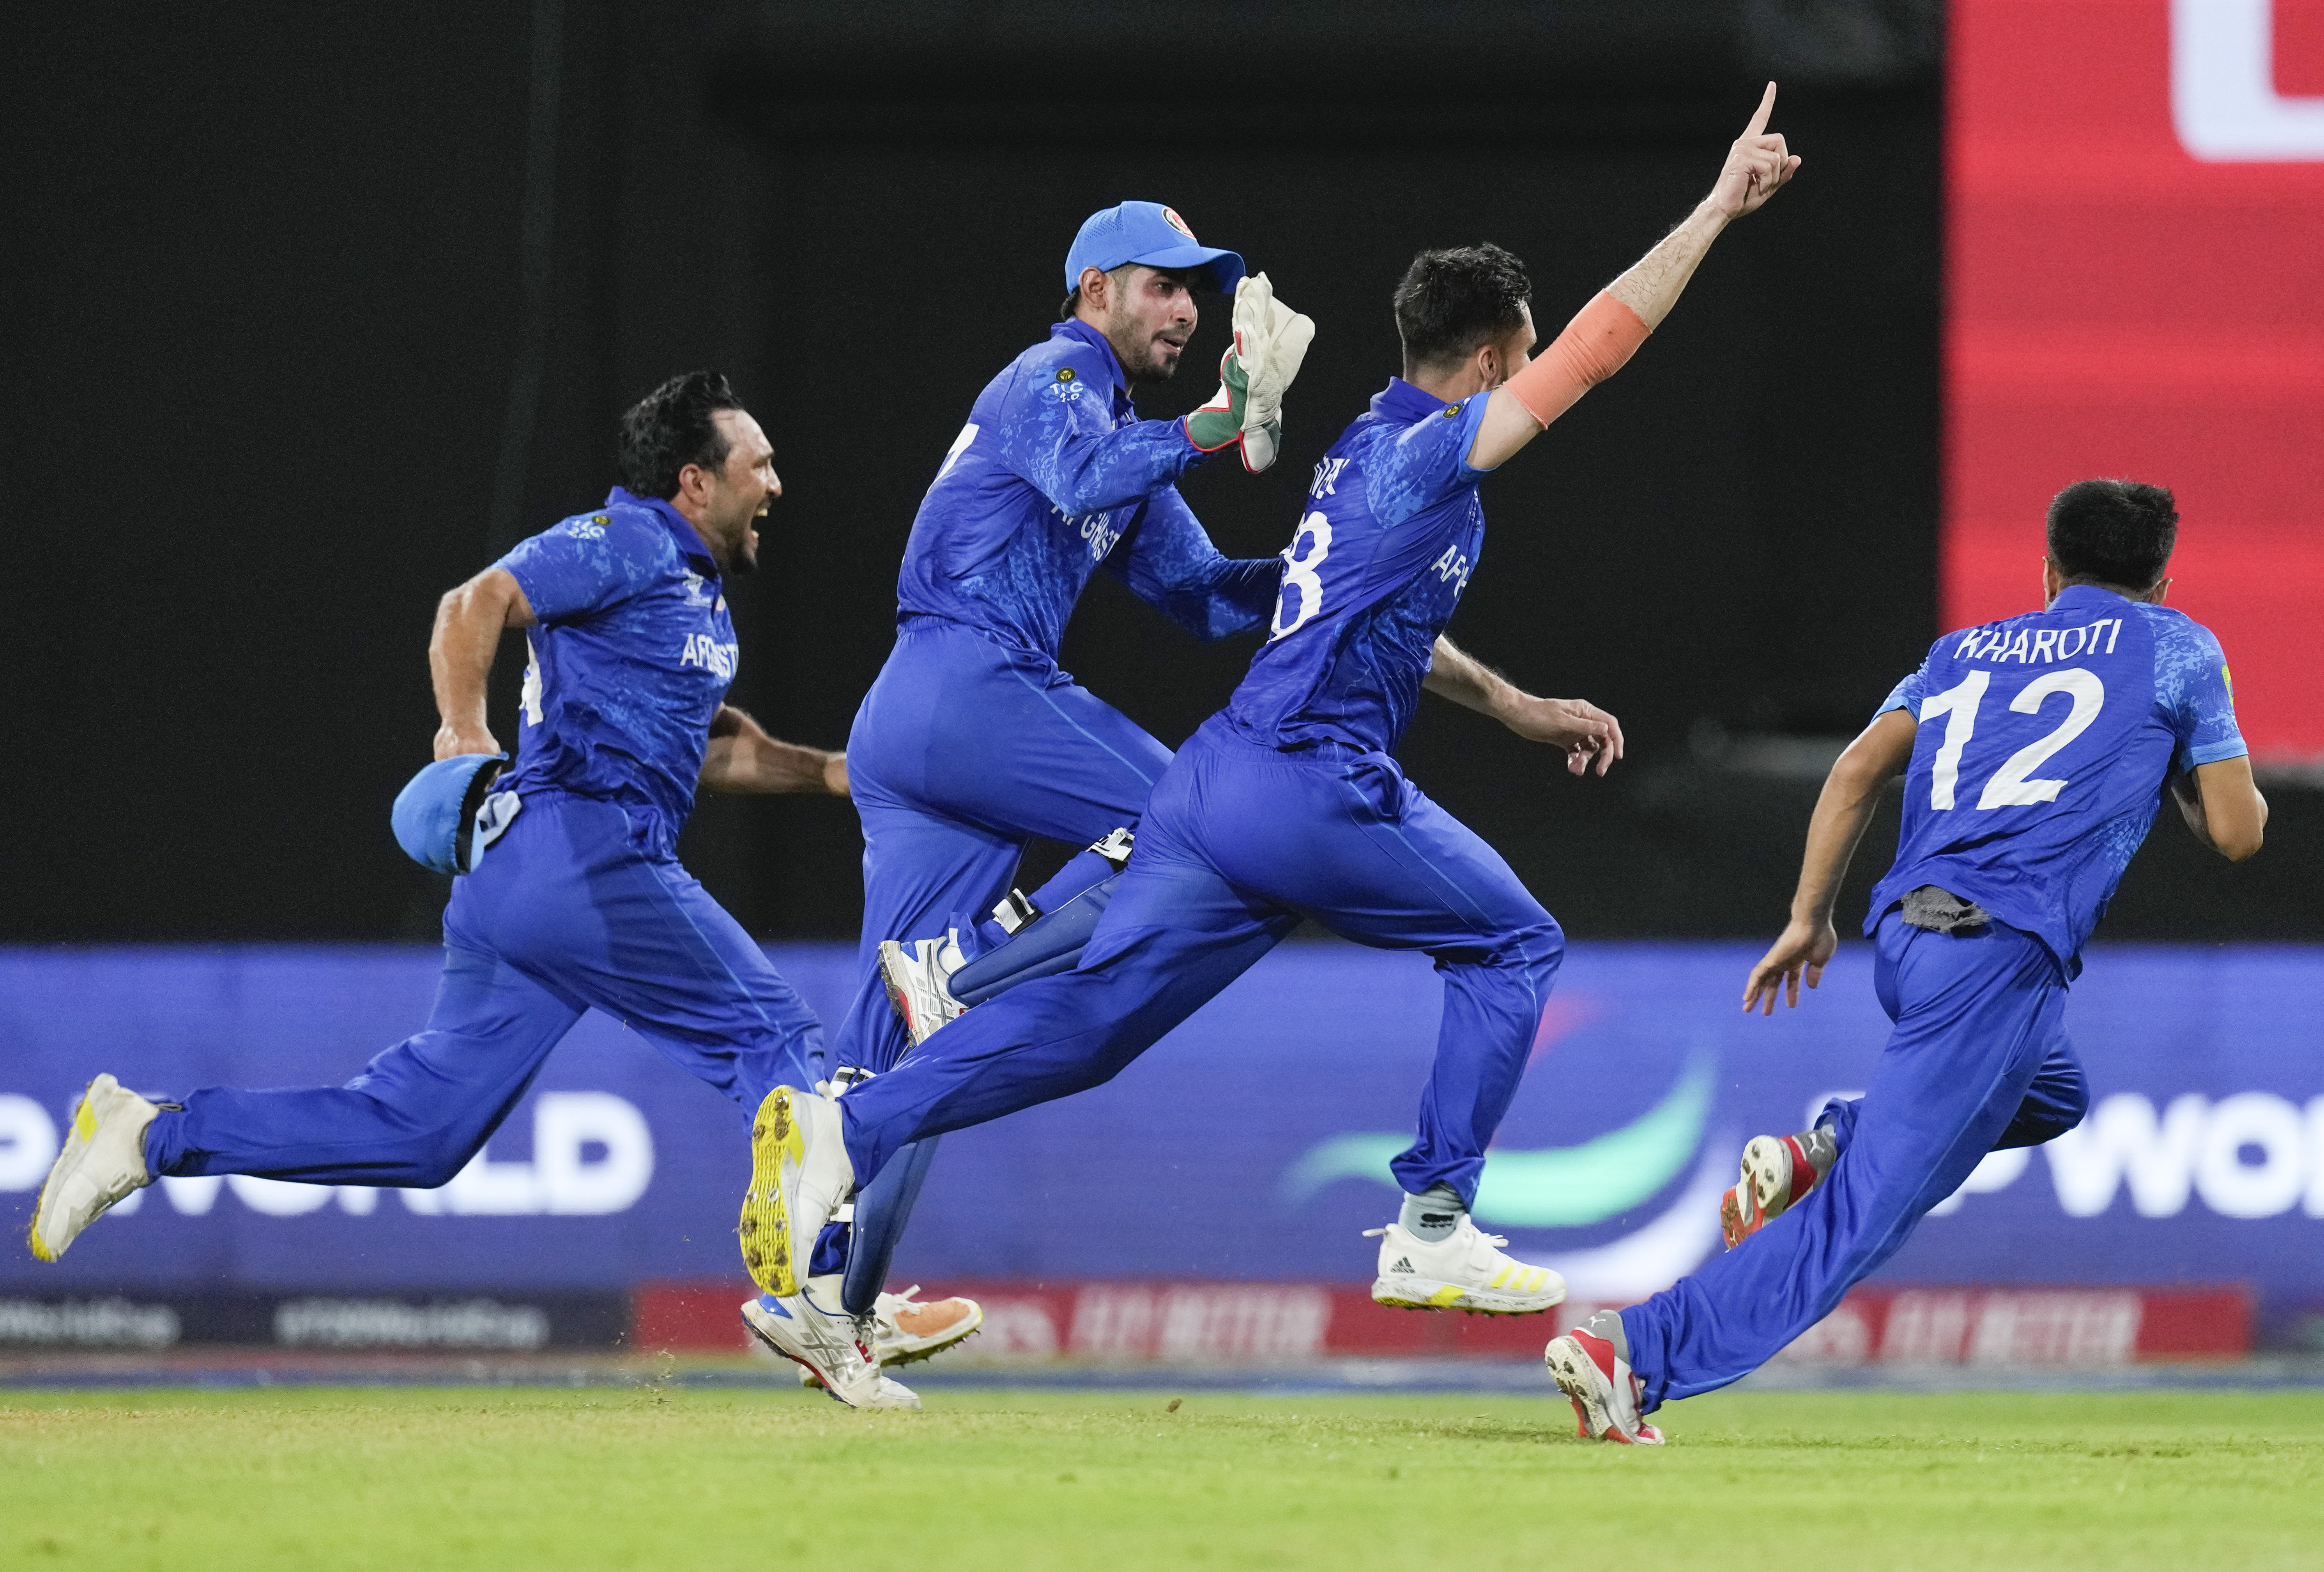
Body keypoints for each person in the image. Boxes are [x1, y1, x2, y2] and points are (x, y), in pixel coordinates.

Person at [739, 88, 1804, 1322]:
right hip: (1280, 772)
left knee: (1091, 1034)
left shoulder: (1359, 449)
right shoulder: (1406, 446)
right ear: (1498, 356)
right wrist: (1718, 208)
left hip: (1220, 782)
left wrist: (1512, 703)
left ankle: (848, 1131)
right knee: (1515, 944)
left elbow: (1255, 603)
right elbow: (1604, 347)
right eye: (1163, 283)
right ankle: (1432, 1222)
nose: (1187, 307)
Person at [26, 372, 936, 1408]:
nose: (776, 480)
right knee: (780, 1043)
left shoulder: (689, 591)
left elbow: (714, 750)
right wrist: (462, 730)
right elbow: (476, 602)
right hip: (580, 851)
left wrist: (830, 774)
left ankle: (146, 1134)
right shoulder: (627, 539)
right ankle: (822, 1300)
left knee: (418, 1136)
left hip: (525, 892)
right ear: (695, 482)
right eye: (758, 462)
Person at [1544, 478, 2268, 1444]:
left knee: (2054, 1094)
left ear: (2047, 572)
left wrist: (1810, 917)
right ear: (2164, 581)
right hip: (1998, 960)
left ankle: (1834, 1140)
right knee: (1864, 1216)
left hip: (1910, 940)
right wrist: (2186, 758)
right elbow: (2235, 833)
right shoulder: (2179, 647)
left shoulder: (1957, 653)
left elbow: (1854, 771)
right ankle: (1634, 1349)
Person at [781, 202, 1312, 1347]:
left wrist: (1328, 565)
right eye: (1162, 284)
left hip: (923, 727)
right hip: (962, 684)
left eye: (1194, 290)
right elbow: (1080, 472)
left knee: (910, 1055)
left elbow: (1203, 596)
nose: (1186, 308)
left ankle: (832, 1303)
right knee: (1205, 820)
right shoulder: (1049, 374)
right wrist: (1221, 419)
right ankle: (970, 963)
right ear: (1094, 290)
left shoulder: (1127, 437)